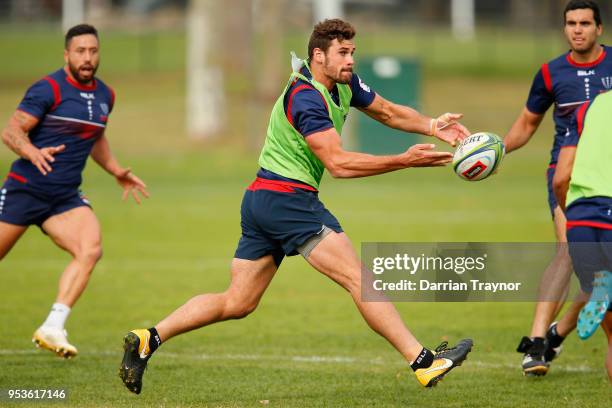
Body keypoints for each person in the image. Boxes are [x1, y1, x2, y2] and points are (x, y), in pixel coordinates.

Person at [119, 19, 473, 394]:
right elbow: (338, 164)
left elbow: (386, 111)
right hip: (288, 201)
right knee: (358, 277)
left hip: (261, 199)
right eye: (343, 53)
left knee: (238, 301)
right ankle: (423, 362)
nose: (351, 59)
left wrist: (433, 125)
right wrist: (403, 160)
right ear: (318, 56)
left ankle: (148, 339)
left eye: (352, 52)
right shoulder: (305, 98)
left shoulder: (343, 82)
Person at [0, 24, 148, 358]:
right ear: (67, 54)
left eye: (93, 51)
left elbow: (94, 136)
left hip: (64, 198)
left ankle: (53, 325)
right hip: (26, 190)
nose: (87, 58)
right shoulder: (48, 89)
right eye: (80, 51)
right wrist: (32, 152)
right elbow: (11, 131)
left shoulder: (105, 95)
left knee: (90, 248)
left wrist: (115, 170)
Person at [503, 0, 612, 376]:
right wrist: (496, 149)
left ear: (599, 28)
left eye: (584, 23)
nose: (577, 29)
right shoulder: (551, 74)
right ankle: (537, 344)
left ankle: (558, 332)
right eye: (570, 23)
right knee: (570, 250)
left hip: (608, 174)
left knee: (599, 266)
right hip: (566, 175)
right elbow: (526, 125)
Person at [552, 90, 612, 383]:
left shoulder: (590, 107)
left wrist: (574, 217)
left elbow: (561, 177)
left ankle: (601, 287)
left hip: (582, 221)